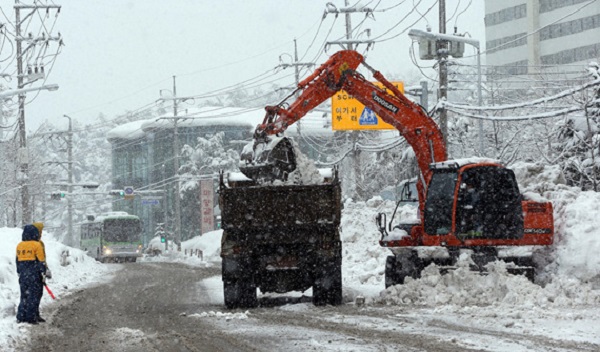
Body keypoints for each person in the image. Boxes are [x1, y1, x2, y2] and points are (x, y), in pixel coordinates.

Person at [16, 224, 47, 324]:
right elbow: (41, 260)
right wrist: (43, 272)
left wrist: (19, 272)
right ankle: (31, 317)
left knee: (24, 295)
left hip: (23, 275)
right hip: (34, 275)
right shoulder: (37, 245)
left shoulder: (19, 245)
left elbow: (17, 260)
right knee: (34, 296)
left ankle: (21, 316)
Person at [32, 222, 51, 323]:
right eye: (40, 231)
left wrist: (46, 268)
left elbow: (43, 257)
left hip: (39, 270)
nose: (41, 233)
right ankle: (33, 315)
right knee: (35, 294)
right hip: (35, 271)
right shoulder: (35, 244)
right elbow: (38, 259)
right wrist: (42, 269)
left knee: (38, 294)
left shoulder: (40, 243)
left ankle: (36, 313)